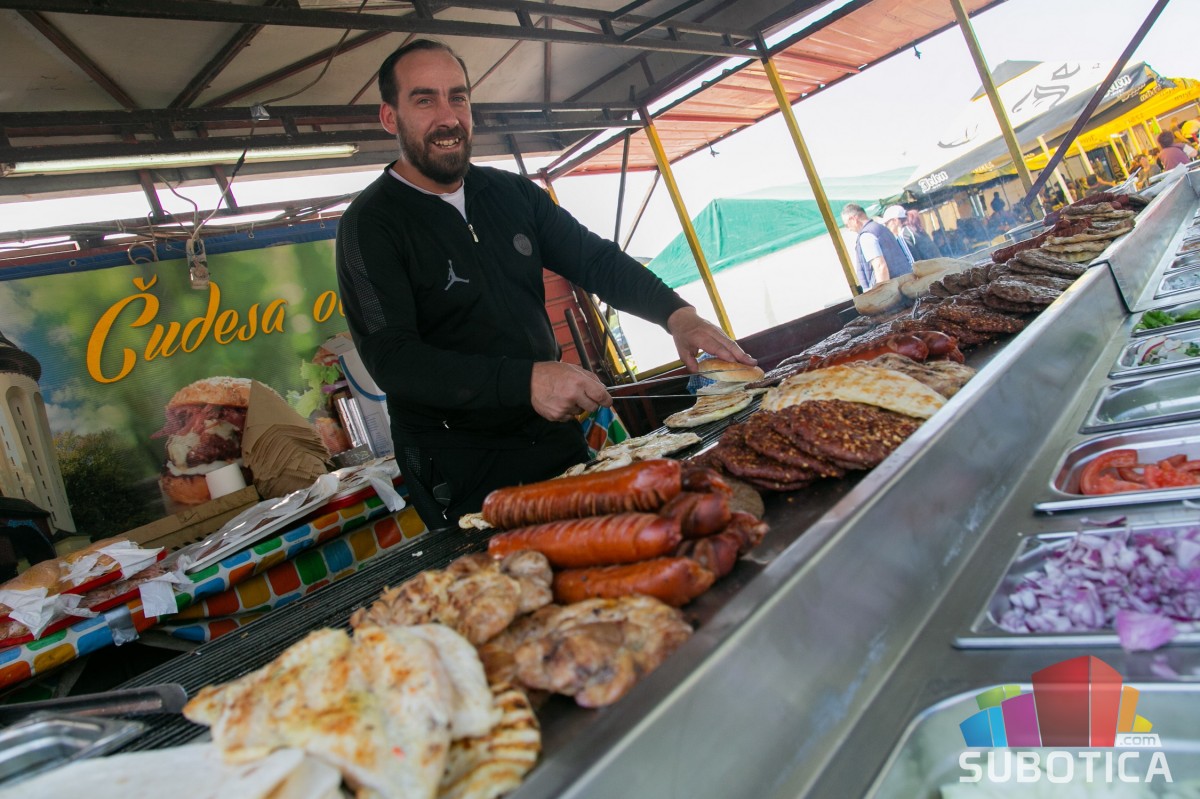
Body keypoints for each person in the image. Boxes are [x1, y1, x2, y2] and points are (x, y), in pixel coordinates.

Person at [335, 39, 754, 527]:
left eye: (458, 97)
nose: (448, 118)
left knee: (603, 546)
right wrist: (526, 380)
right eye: (425, 100)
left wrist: (677, 314)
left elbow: (595, 259)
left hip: (552, 434)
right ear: (390, 117)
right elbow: (393, 359)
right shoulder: (369, 225)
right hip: (460, 463)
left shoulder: (511, 193)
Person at [843, 204, 913, 290]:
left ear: (853, 219)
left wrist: (882, 293)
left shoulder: (867, 236)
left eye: (846, 225)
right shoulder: (882, 228)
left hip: (893, 291)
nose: (849, 229)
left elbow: (880, 267)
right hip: (905, 285)